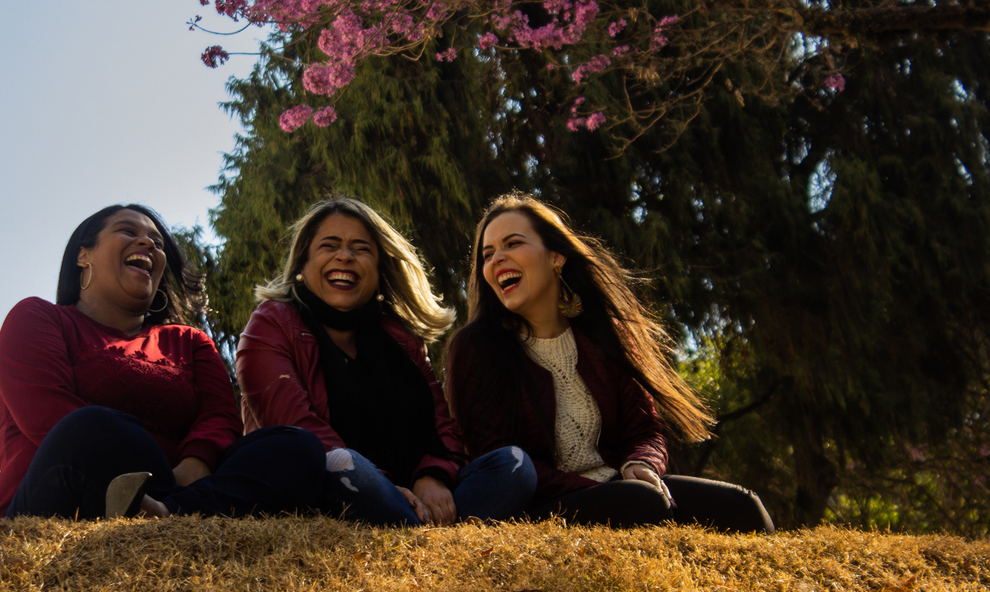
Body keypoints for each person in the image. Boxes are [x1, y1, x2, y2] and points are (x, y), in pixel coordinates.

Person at [446, 193, 773, 532]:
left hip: (623, 490)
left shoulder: (605, 336)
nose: (497, 259)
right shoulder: (476, 348)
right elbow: (496, 457)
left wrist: (641, 463)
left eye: (512, 244)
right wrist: (604, 491)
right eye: (487, 255)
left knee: (744, 507)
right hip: (540, 505)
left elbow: (643, 428)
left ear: (556, 257)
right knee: (640, 504)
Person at [0, 204, 325, 521]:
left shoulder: (189, 341)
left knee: (295, 446)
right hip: (60, 491)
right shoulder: (37, 318)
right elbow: (45, 415)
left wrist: (195, 464)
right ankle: (166, 505)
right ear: (82, 255)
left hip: (181, 489)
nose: (147, 242)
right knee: (92, 425)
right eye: (127, 231)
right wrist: (148, 465)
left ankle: (163, 511)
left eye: (157, 241)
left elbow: (219, 417)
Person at [235, 197, 536, 526]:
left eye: (361, 248)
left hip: (408, 492)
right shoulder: (270, 324)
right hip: (328, 486)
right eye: (329, 245)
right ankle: (423, 532)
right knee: (343, 463)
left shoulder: (400, 338)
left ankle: (415, 530)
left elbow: (443, 427)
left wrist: (432, 477)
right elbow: (297, 428)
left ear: (380, 271)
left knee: (514, 465)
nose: (345, 256)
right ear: (302, 266)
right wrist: (385, 486)